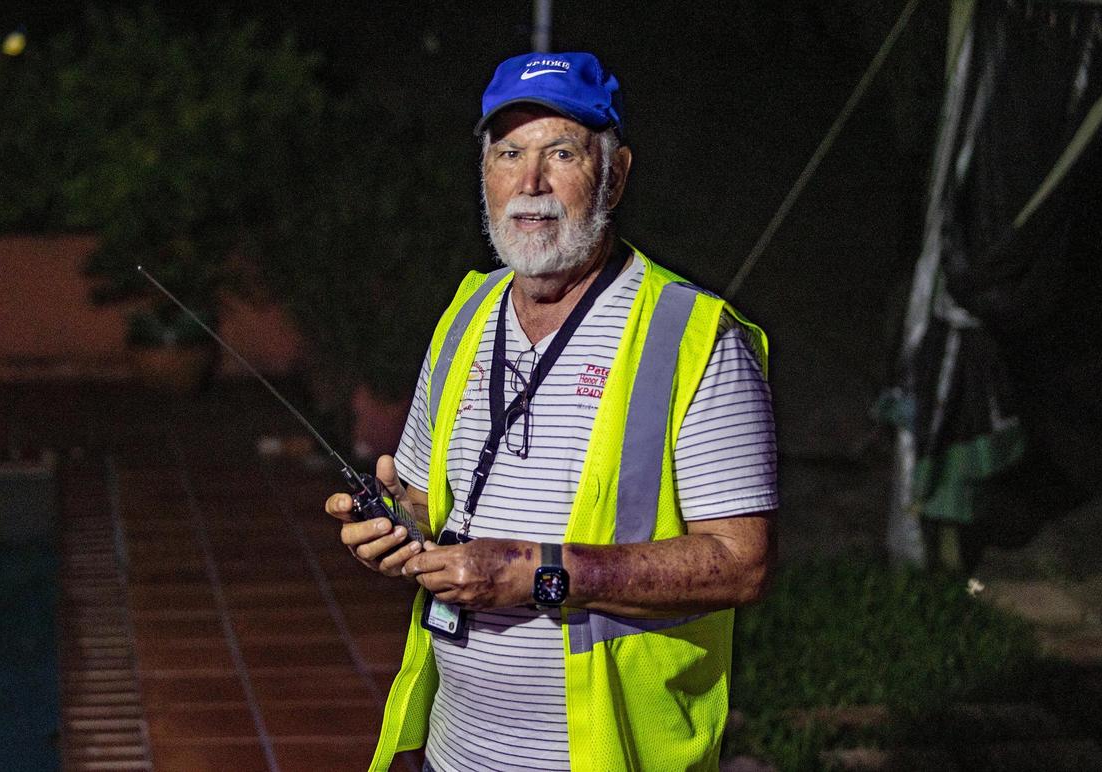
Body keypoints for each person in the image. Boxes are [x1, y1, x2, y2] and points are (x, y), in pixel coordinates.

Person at [326, 51, 777, 772]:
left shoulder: (694, 336)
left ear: (616, 173)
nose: (529, 184)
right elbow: (421, 496)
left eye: (559, 152)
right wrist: (395, 523)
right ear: (484, 173)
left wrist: (536, 573)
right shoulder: (466, 309)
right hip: (456, 750)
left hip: (608, 756)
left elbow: (741, 564)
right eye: (508, 153)